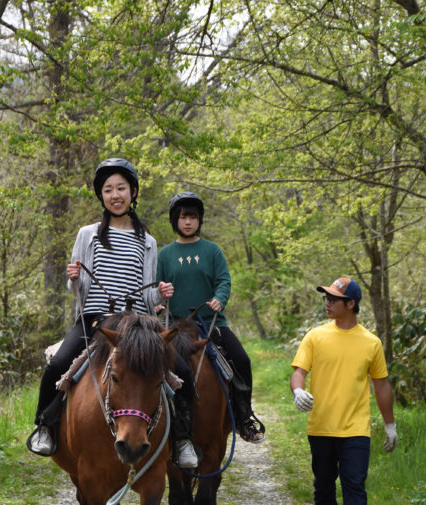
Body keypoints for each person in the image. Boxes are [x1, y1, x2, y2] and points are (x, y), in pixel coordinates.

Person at [26, 158, 200, 468]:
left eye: (121, 188)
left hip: (135, 323)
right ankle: (45, 427)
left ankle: (183, 439)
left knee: (183, 374)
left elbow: (148, 297)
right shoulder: (87, 234)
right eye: (108, 190)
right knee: (59, 366)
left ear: (133, 192)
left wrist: (161, 293)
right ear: (101, 196)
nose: (115, 195)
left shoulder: (147, 241)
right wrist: (74, 277)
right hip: (94, 319)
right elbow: (75, 291)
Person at [289, 277, 396, 505]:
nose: (328, 303)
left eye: (333, 299)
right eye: (327, 298)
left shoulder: (371, 343)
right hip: (321, 426)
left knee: (354, 484)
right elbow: (299, 371)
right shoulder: (315, 336)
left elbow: (382, 385)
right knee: (323, 484)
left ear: (351, 304)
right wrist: (298, 390)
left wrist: (390, 426)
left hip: (355, 429)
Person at [156, 191, 266, 443]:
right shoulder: (164, 254)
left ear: (199, 221)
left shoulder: (212, 250)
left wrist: (220, 298)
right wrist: (158, 305)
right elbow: (157, 286)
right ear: (174, 220)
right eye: (183, 217)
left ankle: (244, 417)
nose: (188, 222)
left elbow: (223, 280)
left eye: (193, 217)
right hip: (175, 326)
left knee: (241, 359)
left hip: (211, 323)